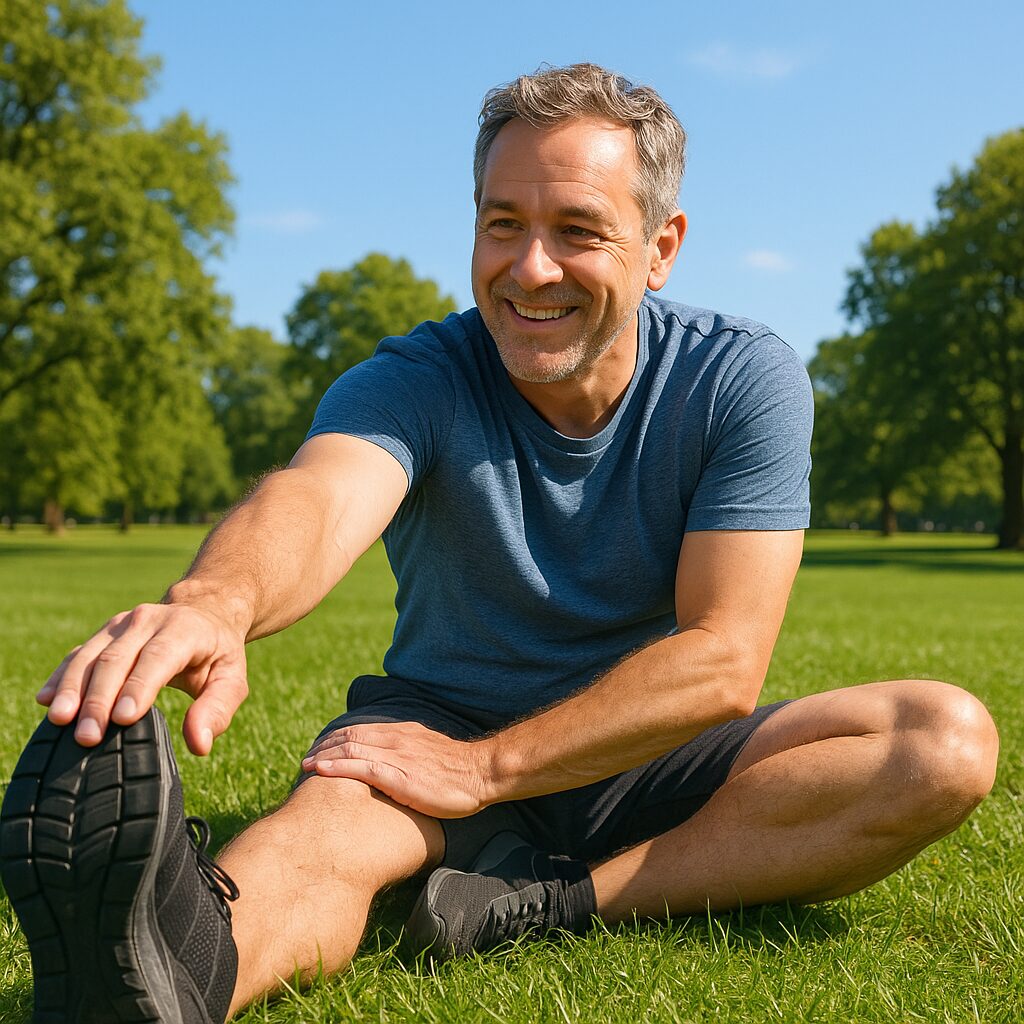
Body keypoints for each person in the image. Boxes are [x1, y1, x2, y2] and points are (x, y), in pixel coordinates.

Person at [1, 64, 999, 1023]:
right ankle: (173, 968)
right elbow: (318, 497)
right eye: (502, 225)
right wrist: (216, 601)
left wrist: (489, 771)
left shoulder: (740, 379)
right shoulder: (418, 377)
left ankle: (549, 899)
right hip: (437, 722)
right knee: (325, 837)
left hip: (647, 744)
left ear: (660, 247)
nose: (530, 268)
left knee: (940, 740)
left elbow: (723, 659)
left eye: (576, 231)